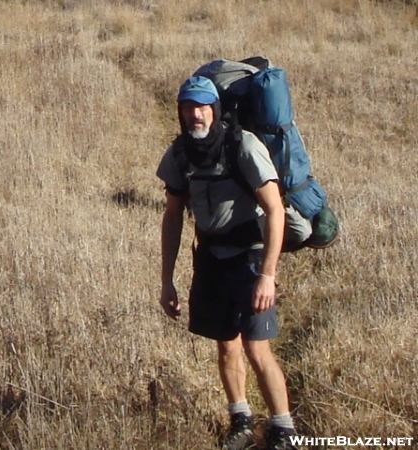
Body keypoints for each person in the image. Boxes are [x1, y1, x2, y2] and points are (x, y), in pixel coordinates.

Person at [156, 75, 299, 450]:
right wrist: (167, 280)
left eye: (202, 107)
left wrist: (268, 275)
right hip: (210, 259)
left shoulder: (242, 145)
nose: (195, 115)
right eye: (188, 107)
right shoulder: (180, 154)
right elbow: (172, 215)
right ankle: (241, 421)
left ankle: (283, 429)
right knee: (226, 344)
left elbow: (274, 209)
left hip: (249, 258)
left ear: (215, 109)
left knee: (256, 347)